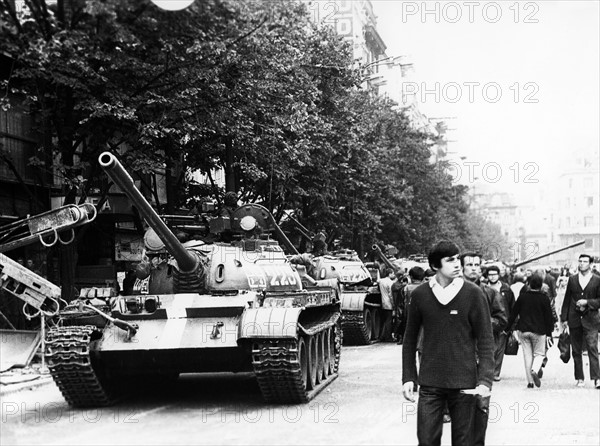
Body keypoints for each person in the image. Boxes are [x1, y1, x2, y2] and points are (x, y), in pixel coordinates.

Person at [402, 241, 494, 446]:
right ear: (436, 266)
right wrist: (409, 377)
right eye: (450, 260)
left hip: (465, 385)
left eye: (457, 258)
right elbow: (409, 340)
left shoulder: (473, 294)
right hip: (430, 384)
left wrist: (485, 380)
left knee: (465, 442)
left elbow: (486, 340)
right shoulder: (420, 295)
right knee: (426, 441)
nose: (457, 264)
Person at [460, 252, 507, 446]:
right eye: (469, 264)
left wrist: (482, 323)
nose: (473, 268)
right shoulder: (452, 292)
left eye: (476, 265)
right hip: (457, 357)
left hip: (482, 357)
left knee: (480, 405)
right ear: (461, 267)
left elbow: (502, 319)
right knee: (458, 407)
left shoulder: (489, 293)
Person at [505, 271, 554, 388]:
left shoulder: (522, 297)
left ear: (528, 284)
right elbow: (549, 317)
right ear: (541, 285)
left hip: (523, 330)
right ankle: (535, 370)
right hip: (539, 331)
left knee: (527, 355)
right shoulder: (544, 298)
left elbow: (513, 314)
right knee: (539, 354)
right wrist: (549, 332)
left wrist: (507, 329)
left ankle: (530, 382)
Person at [560, 254, 600, 388]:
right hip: (575, 318)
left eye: (585, 261)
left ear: (590, 264)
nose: (582, 263)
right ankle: (579, 377)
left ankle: (596, 378)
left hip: (591, 319)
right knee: (576, 350)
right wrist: (564, 318)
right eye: (580, 261)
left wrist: (587, 302)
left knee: (592, 348)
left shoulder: (597, 280)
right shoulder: (572, 279)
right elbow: (567, 299)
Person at [486, 265, 515, 381]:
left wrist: (512, 325)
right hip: (488, 322)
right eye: (490, 274)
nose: (492, 277)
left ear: (499, 275)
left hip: (503, 322)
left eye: (494, 274)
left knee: (500, 349)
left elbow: (512, 306)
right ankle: (487, 372)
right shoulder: (483, 288)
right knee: (489, 348)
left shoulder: (506, 289)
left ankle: (495, 373)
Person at [396, 266, 425, 345]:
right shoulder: (427, 288)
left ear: (411, 277)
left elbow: (400, 306)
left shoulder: (405, 289)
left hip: (409, 316)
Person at [378, 267, 396, 342]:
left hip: (383, 302)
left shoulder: (381, 281)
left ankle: (381, 336)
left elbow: (377, 280)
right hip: (388, 303)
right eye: (393, 273)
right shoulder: (390, 283)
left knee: (384, 320)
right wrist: (393, 305)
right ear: (390, 274)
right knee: (389, 321)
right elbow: (391, 295)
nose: (393, 275)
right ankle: (388, 337)